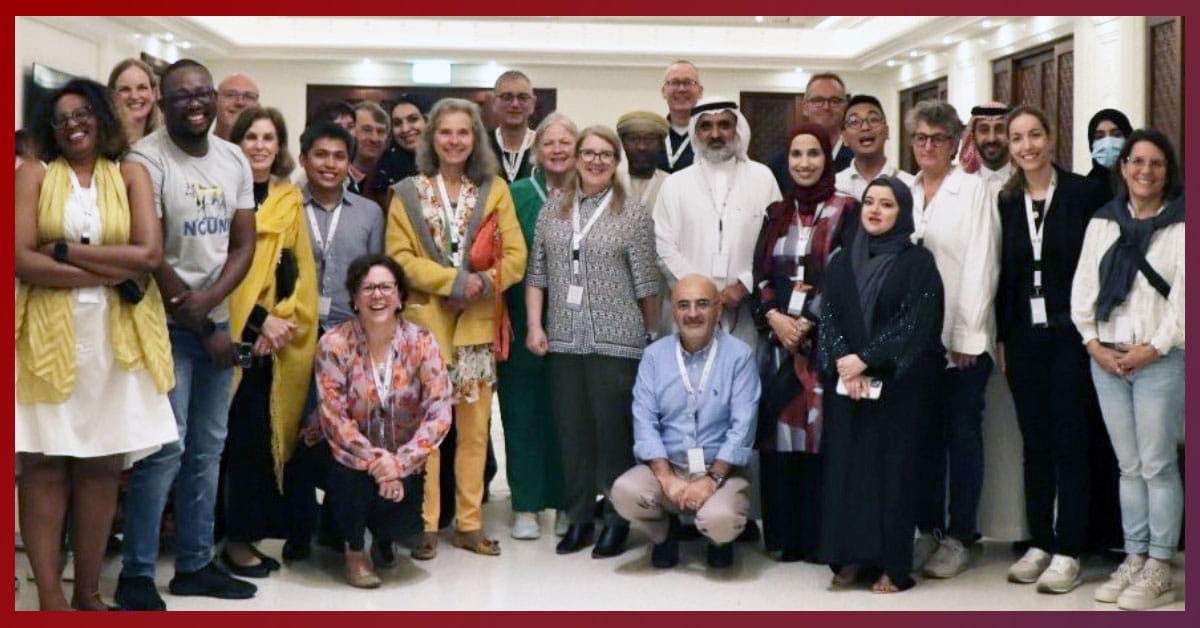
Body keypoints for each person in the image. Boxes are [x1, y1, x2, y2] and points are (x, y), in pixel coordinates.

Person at [15, 78, 178, 611]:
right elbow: (20, 260)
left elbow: (149, 255)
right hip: (46, 341)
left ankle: (87, 595)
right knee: (43, 466)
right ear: (50, 128)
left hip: (115, 343)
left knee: (101, 468)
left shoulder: (129, 172)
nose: (73, 124)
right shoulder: (34, 175)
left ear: (101, 117)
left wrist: (62, 250)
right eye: (61, 118)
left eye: (83, 112)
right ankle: (51, 604)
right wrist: (106, 272)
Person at [115, 58, 258, 610]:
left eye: (203, 94)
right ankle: (137, 574)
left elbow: (242, 244)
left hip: (212, 317)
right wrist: (194, 314)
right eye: (181, 96)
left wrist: (211, 307)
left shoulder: (233, 157)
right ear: (161, 101)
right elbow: (150, 253)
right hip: (162, 323)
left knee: (208, 449)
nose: (195, 103)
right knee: (164, 451)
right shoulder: (145, 159)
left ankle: (196, 564)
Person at [387, 97, 527, 559]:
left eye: (463, 133)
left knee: (474, 433)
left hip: (476, 327)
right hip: (424, 327)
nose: (454, 141)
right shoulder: (406, 191)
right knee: (425, 434)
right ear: (431, 138)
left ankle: (469, 523)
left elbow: (516, 258)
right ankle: (425, 525)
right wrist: (452, 281)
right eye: (445, 132)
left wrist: (478, 285)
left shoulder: (495, 190)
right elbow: (400, 261)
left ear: (476, 139)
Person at [525, 124, 660, 558]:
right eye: (589, 152)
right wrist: (535, 327)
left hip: (618, 342)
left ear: (616, 162)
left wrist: (651, 336)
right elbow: (537, 276)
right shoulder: (553, 210)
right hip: (564, 339)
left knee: (612, 436)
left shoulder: (633, 214)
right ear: (578, 158)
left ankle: (616, 521)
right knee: (572, 433)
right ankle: (579, 516)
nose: (596, 160)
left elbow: (647, 284)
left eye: (606, 154)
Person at [996, 106, 1107, 594]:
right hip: (1023, 337)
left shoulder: (1083, 193)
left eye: (1035, 135)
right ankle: (1040, 541)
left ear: (1052, 137)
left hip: (1071, 334)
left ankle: (1069, 549)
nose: (1026, 146)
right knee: (1033, 443)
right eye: (1017, 138)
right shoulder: (1006, 199)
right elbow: (1005, 274)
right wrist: (1002, 336)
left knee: (1069, 442)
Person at [1072, 129, 1184, 611]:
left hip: (1158, 358)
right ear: (1123, 168)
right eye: (1137, 162)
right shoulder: (1103, 221)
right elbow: (1081, 285)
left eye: (1156, 164)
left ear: (1167, 172)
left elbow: (1185, 301)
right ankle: (1134, 555)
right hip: (1108, 357)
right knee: (1128, 466)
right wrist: (1093, 342)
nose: (1145, 171)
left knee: (1158, 466)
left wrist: (1153, 348)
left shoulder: (1182, 225)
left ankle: (1161, 564)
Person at [817, 176, 945, 593]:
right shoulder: (841, 259)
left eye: (887, 205)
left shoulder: (917, 262)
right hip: (847, 385)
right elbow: (830, 316)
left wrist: (868, 360)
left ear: (902, 213)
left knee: (892, 474)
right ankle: (851, 557)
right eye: (869, 202)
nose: (875, 211)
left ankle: (892, 565)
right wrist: (844, 363)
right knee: (847, 471)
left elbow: (917, 321)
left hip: (896, 388)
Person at [751, 125, 856, 562]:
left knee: (822, 438)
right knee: (781, 437)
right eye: (796, 154)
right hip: (780, 348)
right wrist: (776, 318)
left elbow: (847, 276)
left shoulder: (846, 209)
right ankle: (784, 537)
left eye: (814, 154)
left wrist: (807, 322)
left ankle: (820, 539)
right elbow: (758, 274)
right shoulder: (775, 211)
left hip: (823, 349)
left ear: (826, 159)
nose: (805, 163)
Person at [221, 106, 318, 577]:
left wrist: (281, 320)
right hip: (223, 337)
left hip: (270, 347)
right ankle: (221, 541)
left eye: (269, 138)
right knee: (222, 447)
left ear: (279, 147)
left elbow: (298, 271)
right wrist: (257, 320)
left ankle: (245, 538)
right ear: (235, 143)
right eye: (251, 137)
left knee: (255, 445)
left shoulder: (287, 199)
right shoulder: (221, 196)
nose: (260, 145)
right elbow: (219, 270)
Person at [316, 254, 453, 587]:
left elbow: (440, 411)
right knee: (351, 479)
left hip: (403, 457)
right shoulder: (333, 344)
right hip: (349, 456)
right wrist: (378, 461)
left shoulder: (422, 342)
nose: (377, 296)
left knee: (402, 522)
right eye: (368, 288)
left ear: (400, 296)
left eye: (386, 288)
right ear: (354, 297)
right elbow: (334, 418)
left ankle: (383, 538)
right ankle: (353, 551)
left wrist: (400, 463)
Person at [906, 100, 1000, 580]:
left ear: (954, 142)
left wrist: (966, 335)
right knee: (922, 440)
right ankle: (927, 529)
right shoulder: (903, 189)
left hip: (962, 341)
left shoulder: (974, 191)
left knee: (961, 437)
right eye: (920, 138)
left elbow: (983, 264)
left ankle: (961, 535)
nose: (928, 147)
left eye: (938, 139)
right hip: (914, 345)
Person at [284, 122, 386, 561]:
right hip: (294, 334)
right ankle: (298, 527)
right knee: (295, 432)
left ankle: (340, 525)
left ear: (350, 163)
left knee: (344, 434)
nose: (329, 165)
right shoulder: (285, 206)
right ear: (305, 159)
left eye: (338, 157)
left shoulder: (368, 212)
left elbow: (376, 283)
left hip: (349, 342)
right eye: (320, 155)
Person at [611, 274, 759, 569]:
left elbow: (743, 426)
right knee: (624, 492)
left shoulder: (739, 356)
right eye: (684, 305)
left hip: (722, 470)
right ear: (673, 311)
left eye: (702, 304)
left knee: (720, 520)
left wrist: (712, 478)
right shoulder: (654, 356)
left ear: (718, 309)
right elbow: (644, 420)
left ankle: (719, 540)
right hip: (669, 466)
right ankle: (663, 535)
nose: (693, 314)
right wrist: (666, 478)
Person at [499, 112, 578, 540]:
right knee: (522, 412)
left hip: (576, 322)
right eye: (549, 143)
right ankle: (526, 504)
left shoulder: (591, 193)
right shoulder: (515, 195)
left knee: (566, 415)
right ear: (536, 150)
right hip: (519, 320)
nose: (558, 150)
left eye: (566, 142)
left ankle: (566, 501)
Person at [654, 97, 782, 348]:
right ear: (695, 132)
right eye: (705, 126)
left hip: (745, 307)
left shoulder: (762, 177)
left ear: (737, 130)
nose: (715, 134)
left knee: (743, 375)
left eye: (724, 124)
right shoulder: (675, 184)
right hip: (689, 310)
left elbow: (774, 241)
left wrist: (745, 284)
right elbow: (663, 245)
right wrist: (699, 294)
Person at [617, 110, 673, 335]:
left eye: (649, 140)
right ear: (622, 143)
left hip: (663, 286)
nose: (641, 147)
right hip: (618, 285)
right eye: (633, 139)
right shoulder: (610, 184)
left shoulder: (673, 186)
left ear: (661, 143)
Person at [769, 73, 854, 192]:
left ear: (845, 107)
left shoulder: (858, 160)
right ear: (805, 108)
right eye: (818, 100)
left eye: (834, 101)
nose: (826, 107)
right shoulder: (780, 164)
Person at [834, 94, 914, 200]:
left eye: (873, 120)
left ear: (886, 131)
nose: (865, 127)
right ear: (844, 137)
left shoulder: (910, 185)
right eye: (854, 122)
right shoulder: (835, 187)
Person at [368, 94, 428, 207]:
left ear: (427, 121)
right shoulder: (384, 168)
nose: (405, 129)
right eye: (397, 123)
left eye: (413, 119)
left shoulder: (446, 162)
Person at [489, 70, 537, 183]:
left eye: (523, 97)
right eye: (507, 97)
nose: (515, 104)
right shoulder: (480, 146)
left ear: (533, 104)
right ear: (493, 102)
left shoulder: (544, 146)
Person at [655, 60, 703, 173]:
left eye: (688, 82)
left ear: (700, 91)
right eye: (674, 82)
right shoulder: (653, 135)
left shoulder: (709, 135)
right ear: (664, 91)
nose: (681, 89)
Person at [959, 102, 1013, 198]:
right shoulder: (962, 187)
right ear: (973, 136)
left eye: (1000, 129)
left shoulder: (1027, 183)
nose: (991, 138)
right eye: (984, 130)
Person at [107, 58, 160, 145]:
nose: (134, 96)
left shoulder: (165, 148)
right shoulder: (97, 148)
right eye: (125, 89)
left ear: (154, 94)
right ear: (111, 96)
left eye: (142, 88)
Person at [1084, 109, 1133, 203]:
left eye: (1116, 135)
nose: (1108, 142)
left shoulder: (1141, 180)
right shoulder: (1084, 190)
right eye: (1099, 137)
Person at [349, 101, 390, 197]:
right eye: (367, 130)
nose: (374, 138)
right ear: (351, 131)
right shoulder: (335, 177)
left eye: (381, 132)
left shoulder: (392, 181)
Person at [213, 73, 260, 140]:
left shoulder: (267, 149)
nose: (240, 102)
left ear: (258, 106)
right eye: (231, 95)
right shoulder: (196, 147)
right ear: (215, 101)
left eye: (249, 96)